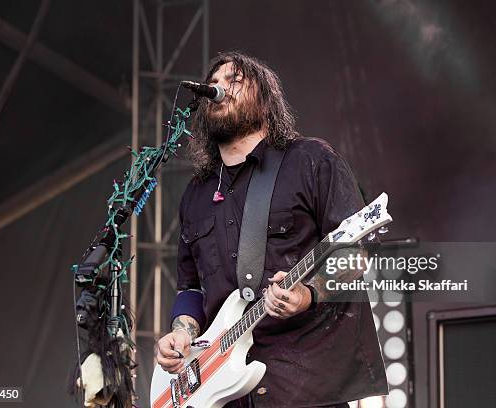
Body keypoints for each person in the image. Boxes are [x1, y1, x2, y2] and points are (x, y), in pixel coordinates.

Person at [156, 51, 388, 407]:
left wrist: (308, 294)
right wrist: (180, 331)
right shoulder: (196, 195)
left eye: (234, 80)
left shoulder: (310, 161)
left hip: (303, 382)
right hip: (223, 390)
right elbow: (191, 287)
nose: (219, 87)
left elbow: (354, 254)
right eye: (213, 83)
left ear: (264, 100)